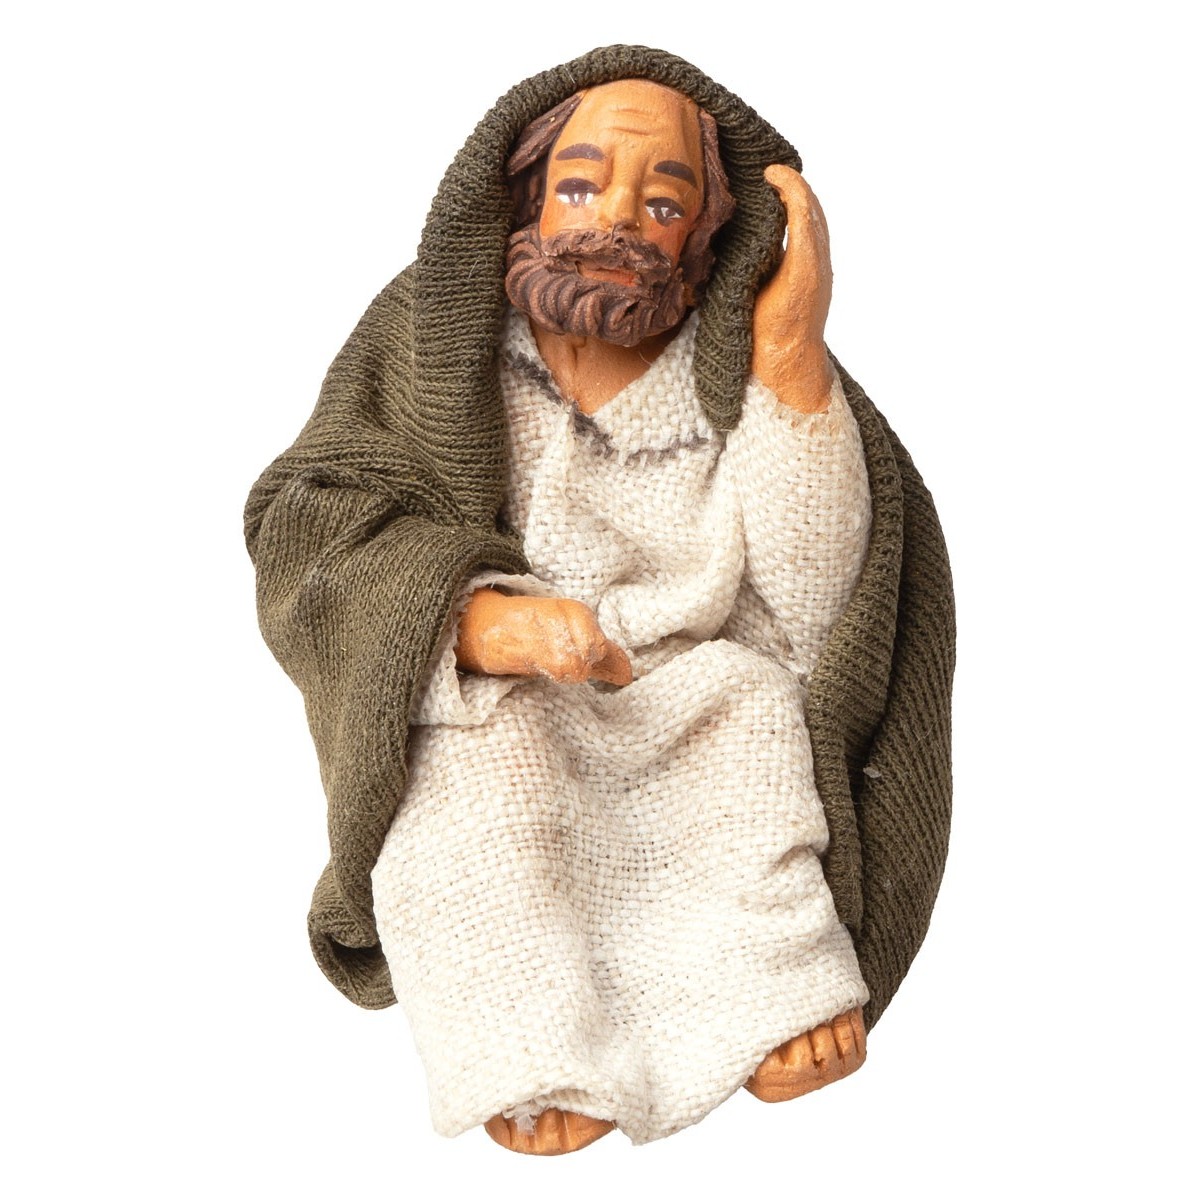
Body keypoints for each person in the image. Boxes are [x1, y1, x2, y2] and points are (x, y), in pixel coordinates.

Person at [245, 46, 954, 1156]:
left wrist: (790, 358)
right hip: (506, 694)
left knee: (752, 731)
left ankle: (767, 987)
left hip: (690, 694)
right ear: (526, 193)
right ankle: (531, 1041)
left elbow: (820, 616)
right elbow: (311, 523)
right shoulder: (436, 337)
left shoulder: (738, 364)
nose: (616, 217)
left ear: (708, 237)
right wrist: (472, 622)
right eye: (581, 185)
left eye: (662, 202)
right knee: (479, 773)